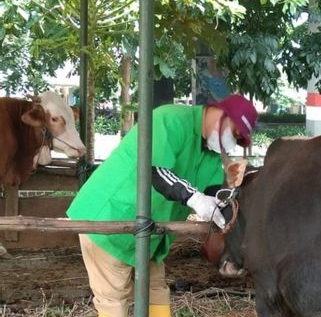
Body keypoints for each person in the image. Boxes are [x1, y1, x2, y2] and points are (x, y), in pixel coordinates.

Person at [67, 94, 258, 317]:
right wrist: (195, 199)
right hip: (108, 219)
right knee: (115, 297)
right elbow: (156, 171)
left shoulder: (211, 158)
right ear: (220, 113)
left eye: (236, 139)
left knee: (155, 290)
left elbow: (215, 195)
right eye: (234, 132)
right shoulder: (171, 119)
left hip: (149, 233)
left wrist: (240, 208)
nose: (231, 141)